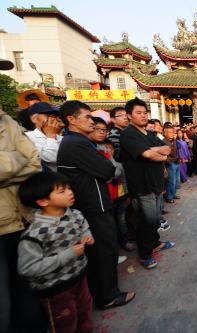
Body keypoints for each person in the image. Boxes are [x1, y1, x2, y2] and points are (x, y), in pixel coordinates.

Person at [57, 100, 135, 309]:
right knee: (104, 251)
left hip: (90, 203)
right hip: (94, 205)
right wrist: (111, 162)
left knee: (101, 251)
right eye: (87, 117)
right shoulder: (76, 143)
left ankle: (100, 293)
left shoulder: (75, 142)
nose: (92, 121)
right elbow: (108, 171)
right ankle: (107, 296)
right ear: (71, 120)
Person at [17, 172, 94, 333]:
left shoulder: (75, 214)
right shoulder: (35, 233)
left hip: (79, 278)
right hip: (56, 291)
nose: (70, 192)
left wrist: (87, 236)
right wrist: (68, 254)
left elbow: (84, 227)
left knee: (85, 314)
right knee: (65, 324)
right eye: (62, 191)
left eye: (69, 188)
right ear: (43, 201)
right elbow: (28, 268)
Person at [0, 97, 46, 332]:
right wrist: (16, 159)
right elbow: (25, 160)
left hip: (22, 217)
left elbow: (35, 164)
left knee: (26, 285)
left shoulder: (7, 121)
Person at [120, 98, 175, 270]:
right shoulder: (128, 134)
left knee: (155, 218)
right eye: (139, 113)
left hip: (156, 183)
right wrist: (155, 153)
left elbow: (167, 149)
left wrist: (157, 153)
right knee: (146, 221)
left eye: (145, 112)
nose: (143, 116)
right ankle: (144, 255)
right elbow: (147, 155)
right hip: (142, 186)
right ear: (129, 116)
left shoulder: (149, 133)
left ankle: (155, 243)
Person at [89, 117, 134, 256]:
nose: (102, 132)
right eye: (98, 129)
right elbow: (111, 173)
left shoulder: (108, 152)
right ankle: (113, 248)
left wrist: (127, 193)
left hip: (119, 194)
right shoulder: (90, 149)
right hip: (103, 196)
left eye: (104, 130)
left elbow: (118, 174)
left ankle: (124, 241)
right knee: (108, 224)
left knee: (121, 220)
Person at [24, 102, 63, 172]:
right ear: (34, 119)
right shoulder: (27, 138)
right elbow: (51, 158)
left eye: (56, 116)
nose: (55, 119)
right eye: (50, 116)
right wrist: (51, 135)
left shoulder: (62, 138)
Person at [162, 125, 180, 203]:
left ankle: (173, 194)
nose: (172, 134)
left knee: (176, 181)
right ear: (165, 133)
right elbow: (167, 154)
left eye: (173, 132)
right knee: (171, 181)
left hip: (176, 162)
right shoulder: (163, 142)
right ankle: (169, 197)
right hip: (170, 163)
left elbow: (178, 148)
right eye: (170, 132)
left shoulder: (174, 141)